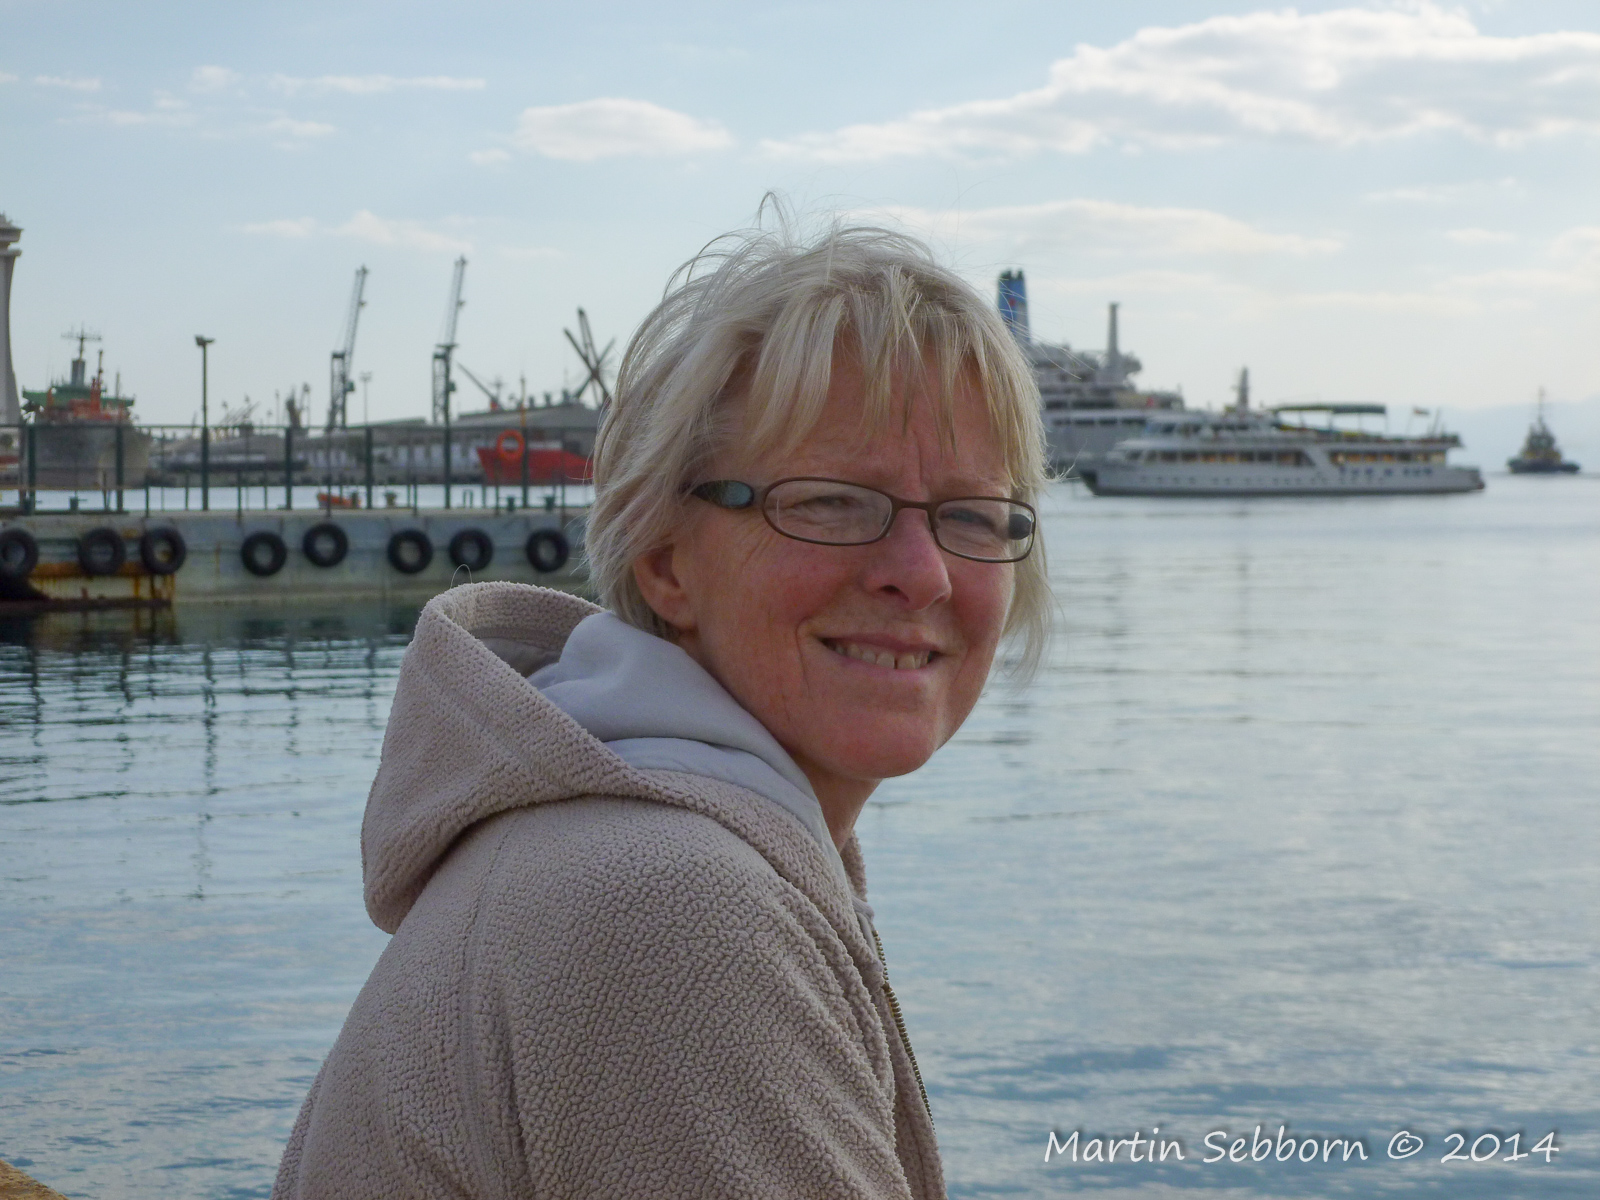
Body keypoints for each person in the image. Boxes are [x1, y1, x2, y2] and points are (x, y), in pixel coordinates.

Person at [272, 216, 1049, 1200]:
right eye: (831, 501)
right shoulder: (676, 911)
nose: (923, 573)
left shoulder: (634, 843)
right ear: (665, 560)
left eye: (971, 515)